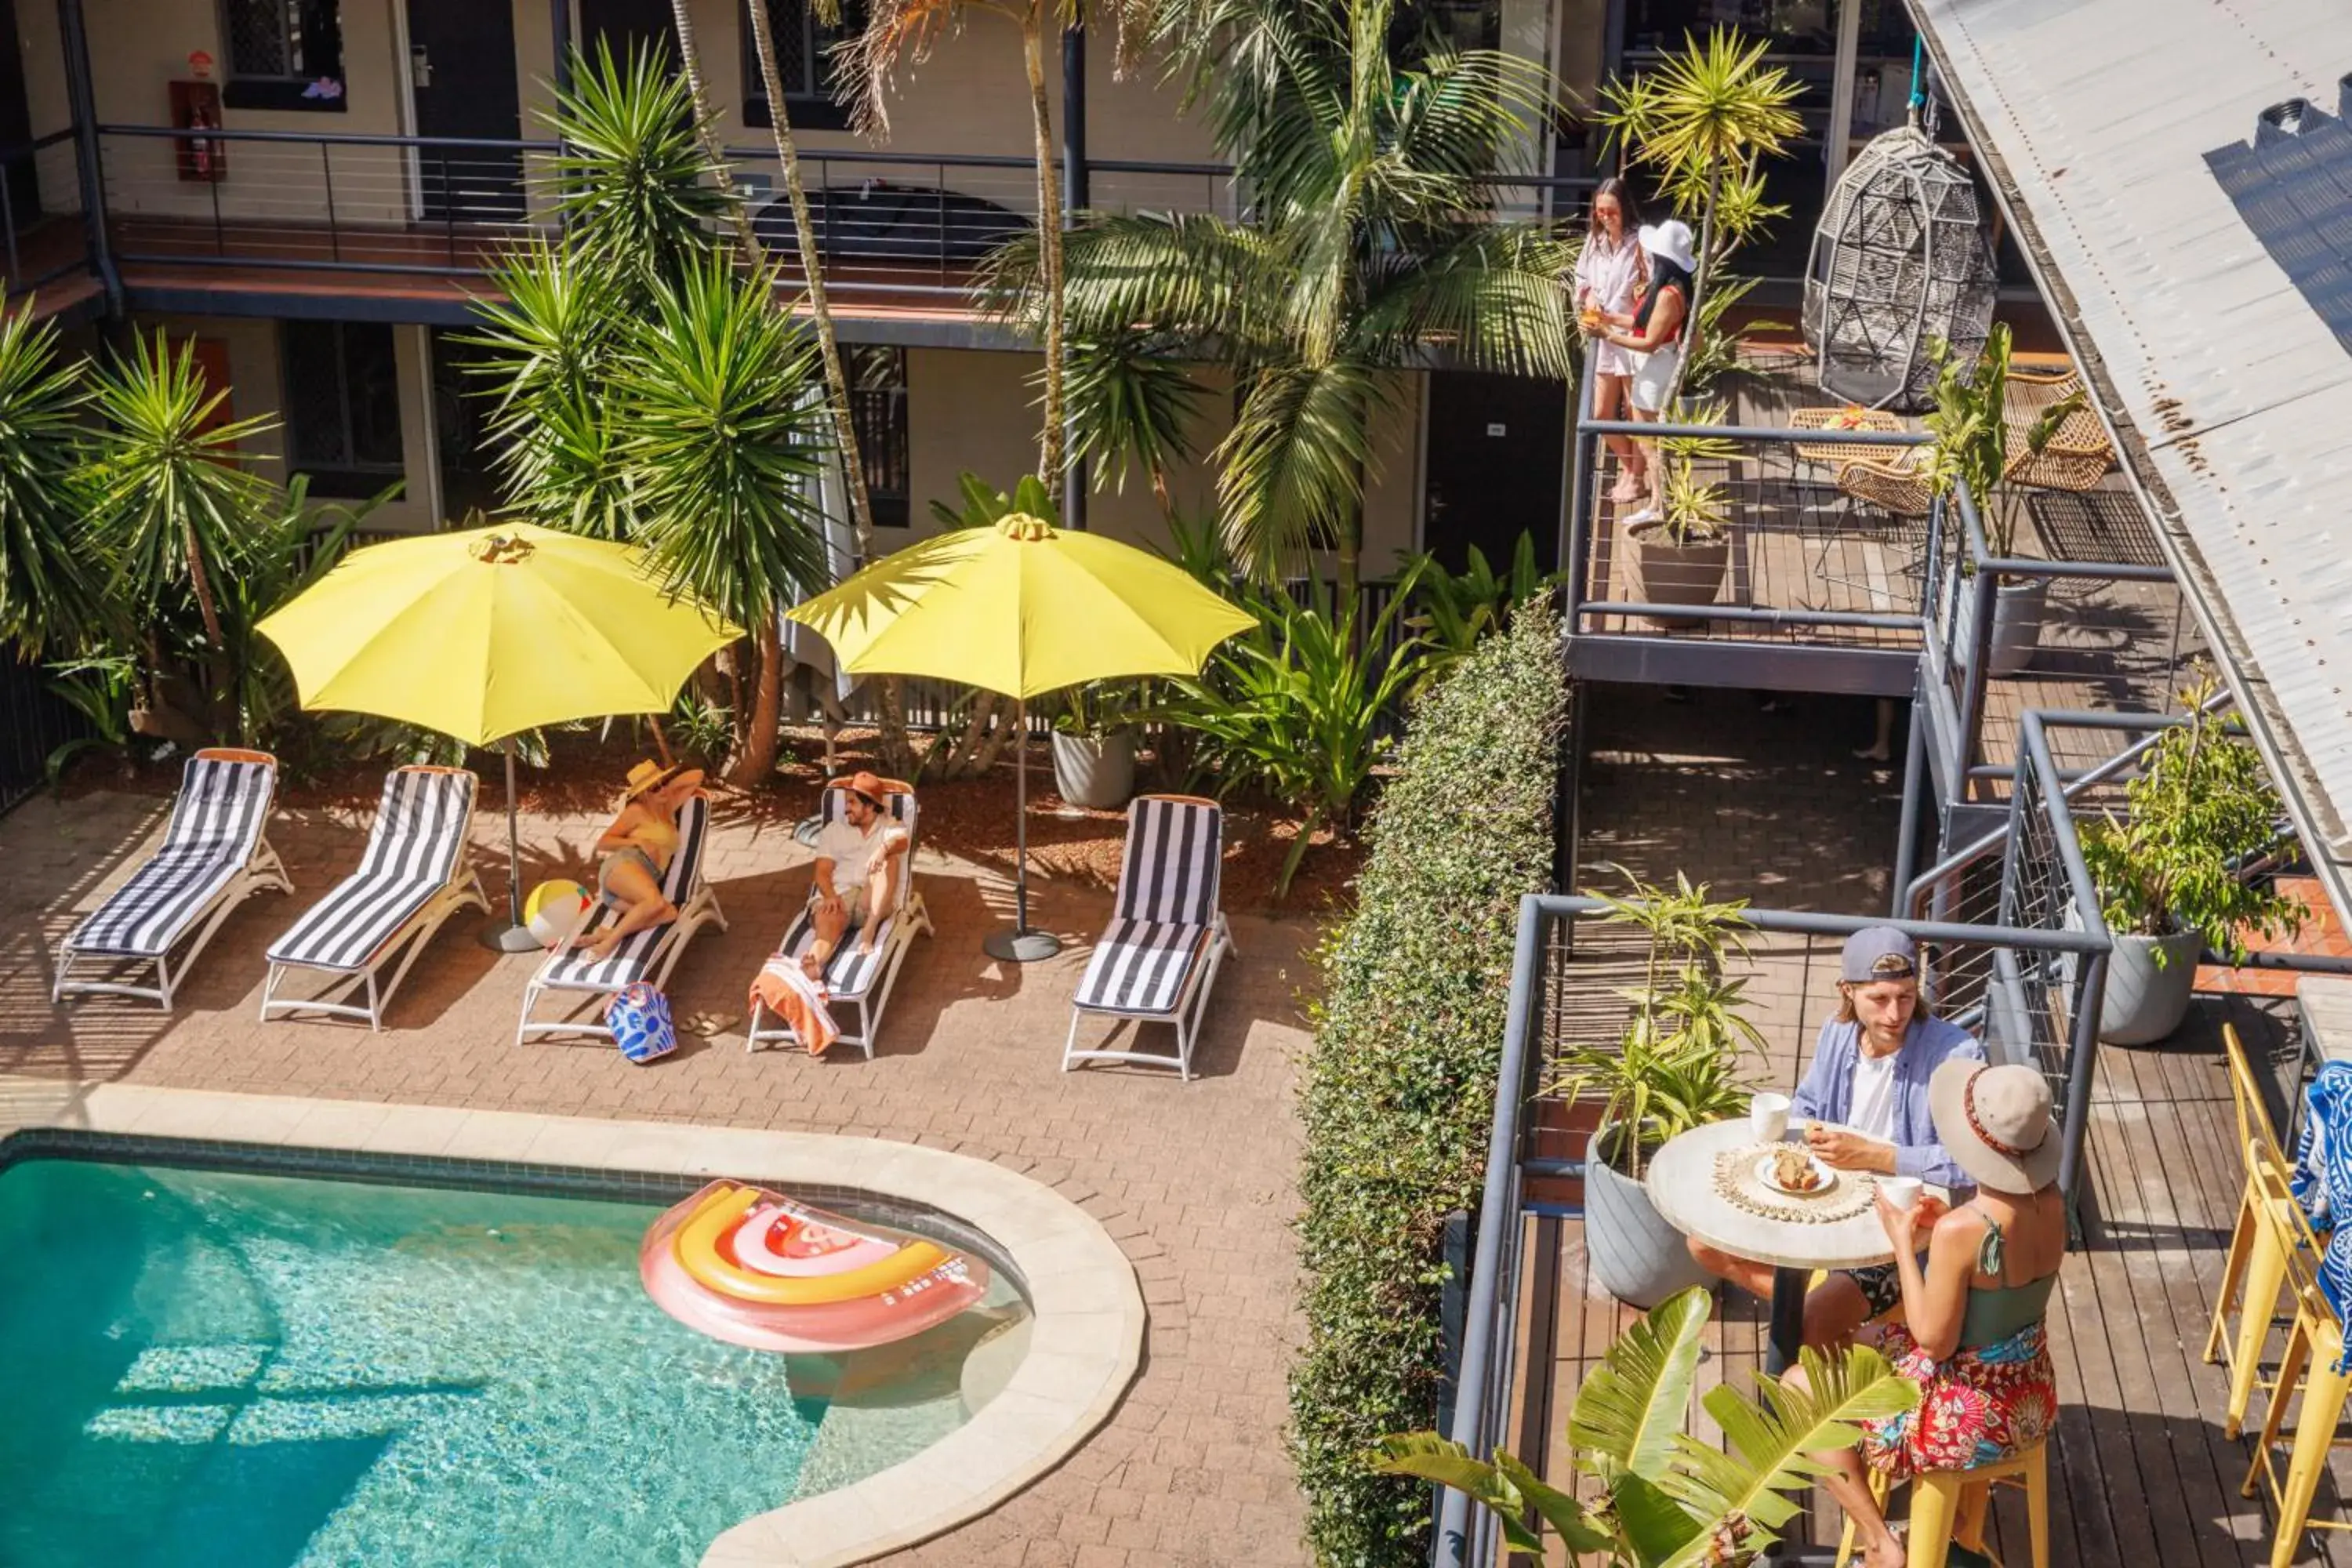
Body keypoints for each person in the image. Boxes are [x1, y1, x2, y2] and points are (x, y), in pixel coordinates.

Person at [1793, 1061, 2066, 1568]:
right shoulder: (2053, 1203)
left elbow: (1934, 1342)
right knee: (1868, 1334)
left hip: (1965, 1409)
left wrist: (1903, 1244)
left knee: (1799, 1384)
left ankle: (1879, 1540)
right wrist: (1949, 1235)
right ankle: (1956, 1520)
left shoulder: (1963, 1230)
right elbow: (1998, 1277)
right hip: (2027, 1390)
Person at [1687, 927, 1984, 1348]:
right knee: (1703, 1244)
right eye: (1879, 999)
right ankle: (1825, 1314)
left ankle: (1821, 1321)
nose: (1895, 1014)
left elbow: (1969, 1164)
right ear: (1848, 991)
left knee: (1808, 1327)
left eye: (1905, 995)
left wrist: (1880, 1157)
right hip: (1825, 1202)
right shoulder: (1837, 1031)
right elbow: (1808, 1103)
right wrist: (1809, 1134)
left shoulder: (1955, 1055)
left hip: (1894, 1237)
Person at [1590, 217, 1697, 525]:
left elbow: (1649, 342)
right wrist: (1608, 318)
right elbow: (1640, 323)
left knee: (1650, 444)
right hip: (1656, 368)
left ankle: (1659, 504)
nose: (1647, 259)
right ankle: (1659, 501)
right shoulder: (1667, 289)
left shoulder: (1667, 296)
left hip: (1655, 371)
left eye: (1652, 256)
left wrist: (1607, 336)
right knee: (1649, 440)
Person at [575, 760, 702, 961]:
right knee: (654, 901)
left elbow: (696, 775)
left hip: (639, 882)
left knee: (669, 913)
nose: (661, 789)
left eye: (662, 783)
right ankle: (608, 944)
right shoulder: (636, 811)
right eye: (654, 787)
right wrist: (638, 842)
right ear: (643, 793)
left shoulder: (668, 806)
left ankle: (604, 934)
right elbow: (603, 843)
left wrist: (663, 785)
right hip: (625, 865)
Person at [1573, 179, 1650, 505]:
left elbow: (1651, 291)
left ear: (1624, 209)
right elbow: (1582, 279)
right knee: (1601, 414)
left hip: (1630, 335)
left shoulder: (1640, 244)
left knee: (1636, 411)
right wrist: (1588, 297)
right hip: (1603, 337)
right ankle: (1631, 468)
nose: (1606, 217)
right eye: (1600, 211)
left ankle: (1635, 478)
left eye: (1611, 211)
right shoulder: (1595, 242)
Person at [803, 771, 909, 981]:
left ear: (869, 806)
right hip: (840, 896)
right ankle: (814, 962)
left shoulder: (889, 825)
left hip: (872, 902)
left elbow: (902, 842)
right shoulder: (835, 830)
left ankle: (869, 930)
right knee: (827, 917)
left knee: (891, 860)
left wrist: (883, 849)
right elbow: (822, 872)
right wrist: (830, 895)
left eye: (852, 803)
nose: (846, 808)